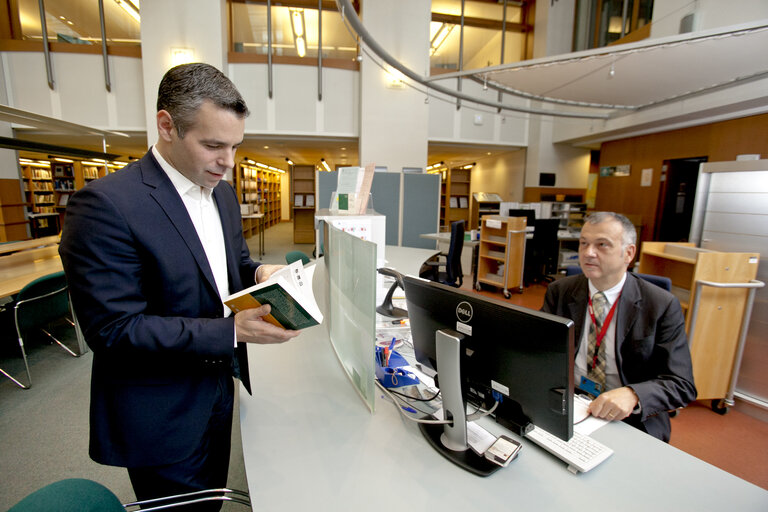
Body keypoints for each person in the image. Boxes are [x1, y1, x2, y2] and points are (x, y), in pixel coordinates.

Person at [59, 63, 300, 509]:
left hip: (218, 391)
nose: (227, 163)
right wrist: (233, 331)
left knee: (209, 501)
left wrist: (259, 273)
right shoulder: (105, 206)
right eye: (212, 145)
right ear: (166, 125)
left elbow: (230, 265)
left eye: (234, 146)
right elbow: (113, 330)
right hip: (161, 410)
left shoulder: (223, 194)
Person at [541, 212, 696, 442]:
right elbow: (540, 348)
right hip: (571, 404)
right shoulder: (560, 291)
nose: (588, 253)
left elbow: (681, 384)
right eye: (583, 243)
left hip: (629, 418)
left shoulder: (661, 305)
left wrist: (634, 395)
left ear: (629, 253)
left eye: (602, 245)